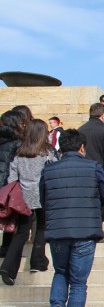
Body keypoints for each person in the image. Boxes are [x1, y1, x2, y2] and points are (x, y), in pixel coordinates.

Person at [41, 130, 104, 307]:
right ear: (82, 147)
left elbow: (44, 200)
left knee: (60, 272)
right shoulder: (93, 167)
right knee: (79, 284)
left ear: (61, 148)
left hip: (58, 231)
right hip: (85, 232)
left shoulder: (48, 170)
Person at [0, 119, 56, 285]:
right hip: (43, 195)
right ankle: (37, 261)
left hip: (23, 198)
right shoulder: (48, 153)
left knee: (22, 232)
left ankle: (8, 267)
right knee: (42, 228)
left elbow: (12, 178)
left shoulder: (20, 153)